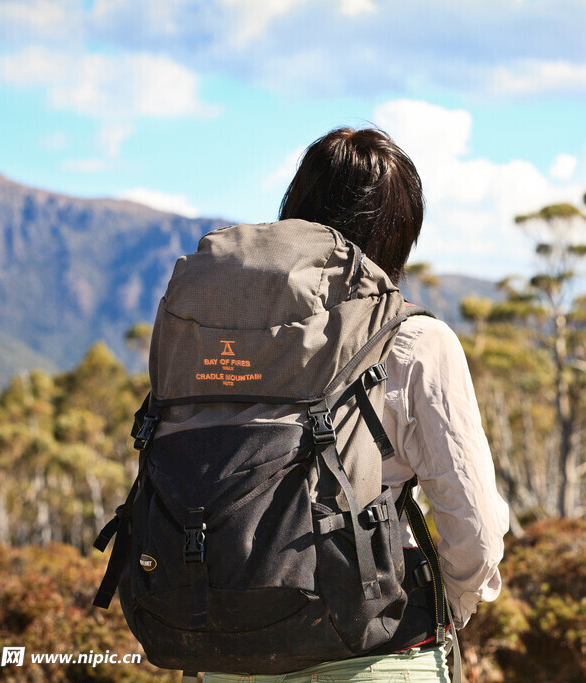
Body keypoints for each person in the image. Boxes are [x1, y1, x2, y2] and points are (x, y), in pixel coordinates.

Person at [203, 128, 509, 682]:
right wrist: (450, 604)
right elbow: (476, 527)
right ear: (400, 232)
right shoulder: (413, 339)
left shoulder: (223, 335)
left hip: (229, 653)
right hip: (376, 652)